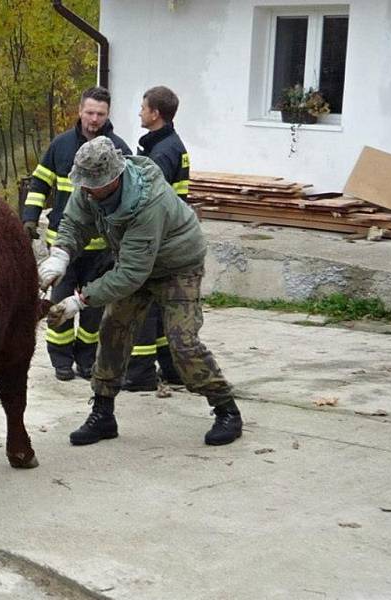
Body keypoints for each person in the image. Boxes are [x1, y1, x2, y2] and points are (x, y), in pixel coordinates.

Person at [38, 136, 242, 447]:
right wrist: (60, 255)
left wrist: (80, 301)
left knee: (182, 342)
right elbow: (74, 223)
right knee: (113, 331)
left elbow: (131, 274)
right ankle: (103, 414)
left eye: (94, 184)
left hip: (177, 267)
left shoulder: (149, 202)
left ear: (115, 178)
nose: (87, 190)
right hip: (135, 264)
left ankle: (226, 409)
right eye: (85, 183)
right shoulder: (89, 191)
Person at [22, 86, 132, 382]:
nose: (94, 119)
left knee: (92, 306)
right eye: (89, 112)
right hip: (63, 244)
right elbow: (39, 183)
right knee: (58, 301)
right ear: (79, 111)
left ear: (108, 114)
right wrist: (29, 218)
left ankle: (86, 360)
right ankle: (60, 360)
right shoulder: (60, 146)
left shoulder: (119, 149)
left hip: (102, 249)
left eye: (100, 113)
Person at [123, 85, 190, 391]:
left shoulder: (162, 153)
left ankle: (140, 375)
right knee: (163, 309)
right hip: (169, 239)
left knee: (145, 308)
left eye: (143, 107)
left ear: (155, 113)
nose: (140, 111)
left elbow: (148, 199)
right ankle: (172, 368)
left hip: (157, 241)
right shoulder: (167, 145)